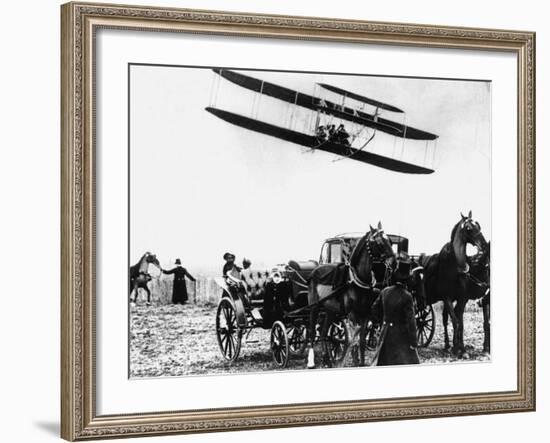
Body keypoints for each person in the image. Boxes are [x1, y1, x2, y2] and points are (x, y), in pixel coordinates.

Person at [371, 257, 420, 366]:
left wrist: (383, 322)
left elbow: (374, 309)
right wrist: (413, 342)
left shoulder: (385, 291)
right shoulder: (407, 296)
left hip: (385, 334)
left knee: (382, 362)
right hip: (401, 337)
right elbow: (411, 321)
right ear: (407, 280)